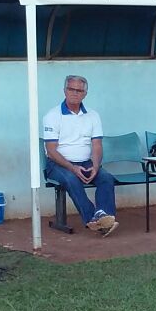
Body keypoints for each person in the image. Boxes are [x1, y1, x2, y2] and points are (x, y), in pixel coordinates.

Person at [43, 76, 117, 236]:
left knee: (106, 178)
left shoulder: (93, 115)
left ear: (85, 94)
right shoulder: (52, 115)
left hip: (86, 162)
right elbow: (51, 150)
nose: (75, 93)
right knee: (72, 179)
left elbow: (97, 145)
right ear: (64, 91)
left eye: (79, 90)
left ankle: (105, 216)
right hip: (58, 165)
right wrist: (72, 168)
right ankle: (93, 219)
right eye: (71, 89)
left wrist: (95, 166)